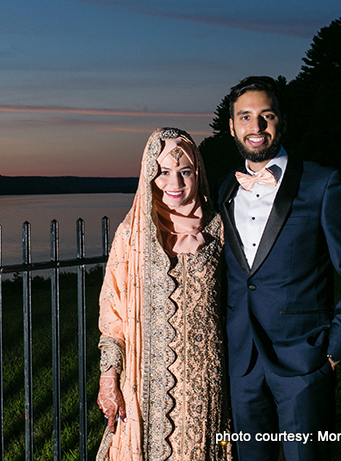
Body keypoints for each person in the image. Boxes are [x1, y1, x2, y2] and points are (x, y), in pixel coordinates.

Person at [218, 76, 341, 461]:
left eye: (266, 115)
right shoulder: (225, 188)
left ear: (282, 122)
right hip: (242, 363)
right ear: (232, 126)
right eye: (245, 117)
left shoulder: (322, 184)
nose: (256, 127)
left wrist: (334, 349)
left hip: (304, 361)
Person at [96, 127, 231, 461]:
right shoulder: (131, 235)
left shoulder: (218, 228)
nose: (176, 183)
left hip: (204, 381)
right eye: (163, 173)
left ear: (197, 173)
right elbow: (112, 312)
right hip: (144, 383)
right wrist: (108, 377)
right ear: (148, 176)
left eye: (185, 172)